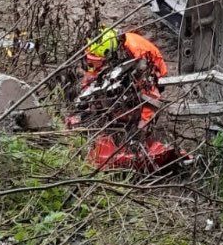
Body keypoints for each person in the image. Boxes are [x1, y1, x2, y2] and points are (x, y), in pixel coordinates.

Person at [79, 26, 185, 171]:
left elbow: (151, 97)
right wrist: (85, 93)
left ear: (110, 53)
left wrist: (141, 129)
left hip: (152, 71)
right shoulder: (100, 45)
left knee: (141, 101)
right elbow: (93, 71)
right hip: (128, 65)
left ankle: (139, 127)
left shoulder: (140, 59)